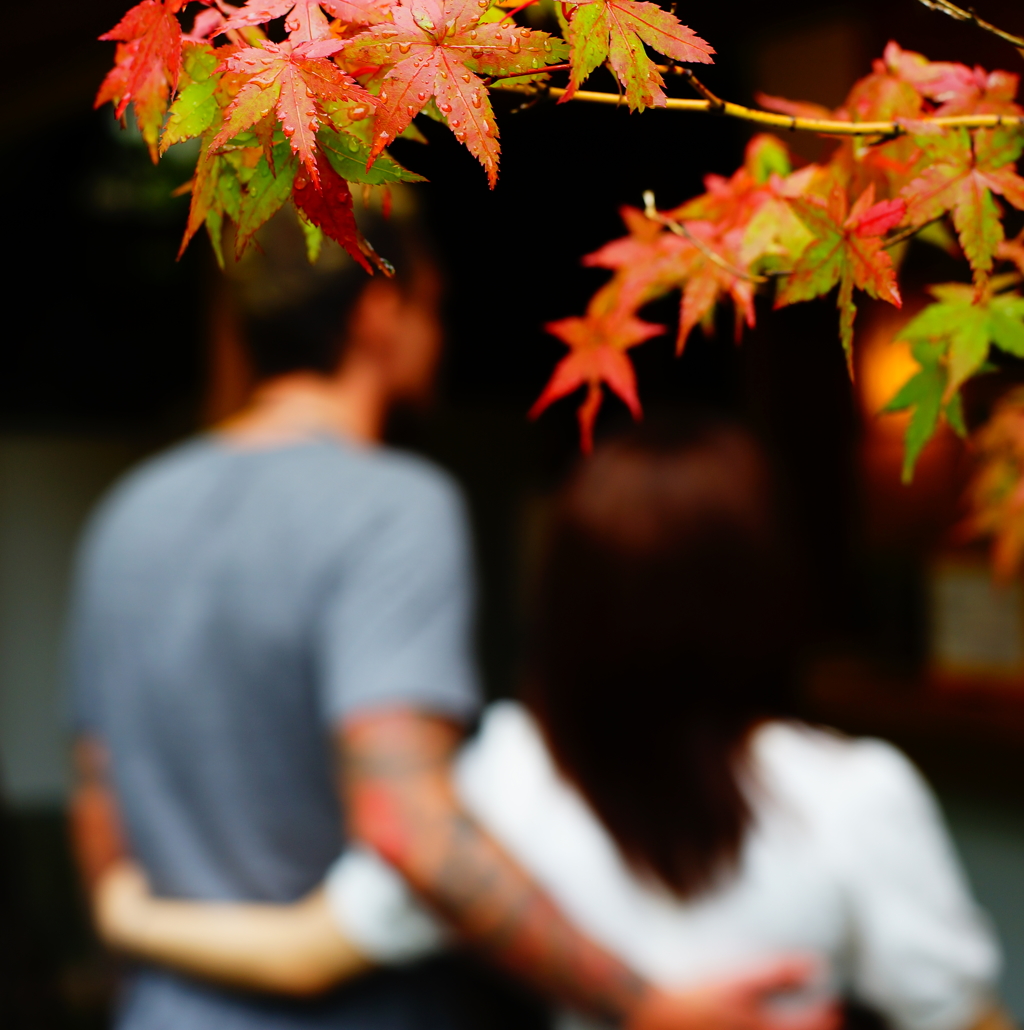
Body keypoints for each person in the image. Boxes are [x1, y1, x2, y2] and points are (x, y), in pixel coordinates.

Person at [68, 208, 827, 1030]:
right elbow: (409, 826)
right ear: (377, 315)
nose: (439, 336)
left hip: (164, 1008)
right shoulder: (392, 507)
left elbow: (99, 804)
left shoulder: (129, 514)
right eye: (433, 306)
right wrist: (642, 1006)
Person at [87, 422, 1008, 1030]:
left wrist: (129, 911)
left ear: (566, 601)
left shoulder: (508, 780)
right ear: (771, 594)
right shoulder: (852, 797)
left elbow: (304, 955)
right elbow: (962, 1015)